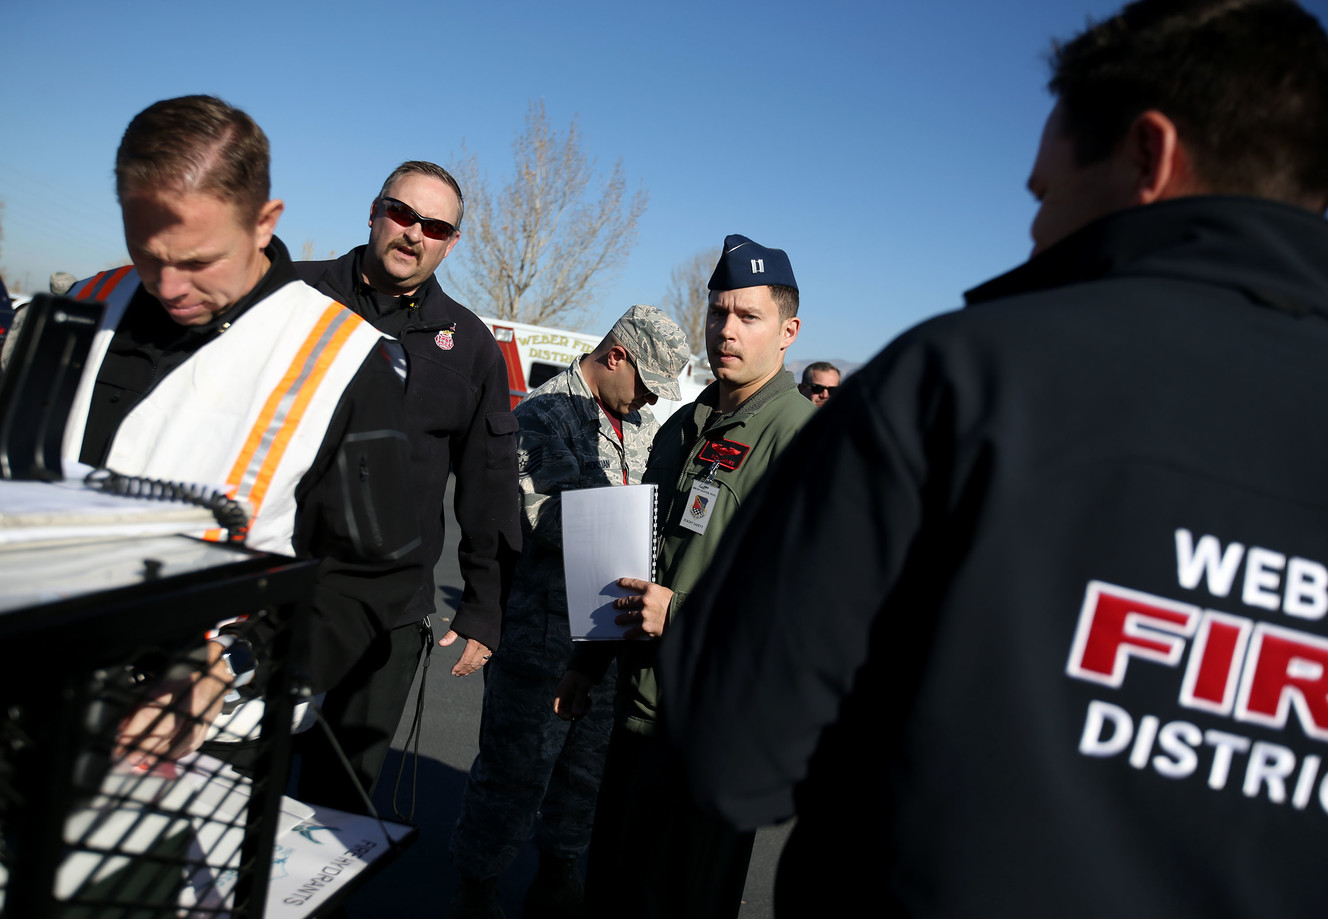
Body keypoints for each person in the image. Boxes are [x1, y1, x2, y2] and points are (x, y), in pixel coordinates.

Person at [658, 2, 1328, 917]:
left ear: (1148, 155)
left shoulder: (959, 382)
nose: (1035, 232)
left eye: (1044, 193)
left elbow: (733, 751)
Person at [60, 95, 421, 764]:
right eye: (146, 253)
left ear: (263, 222)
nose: (168, 286)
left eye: (198, 261)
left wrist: (231, 661)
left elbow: (369, 579)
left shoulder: (342, 361)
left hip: (202, 746)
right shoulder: (79, 310)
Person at [556, 235, 814, 919]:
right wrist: (588, 659)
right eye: (717, 311)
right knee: (611, 891)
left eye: (748, 316)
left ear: (788, 331)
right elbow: (637, 555)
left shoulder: (801, 443)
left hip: (718, 739)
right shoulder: (681, 429)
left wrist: (681, 615)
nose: (726, 329)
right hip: (639, 716)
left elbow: (802, 614)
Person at [447, 305, 690, 919]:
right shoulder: (541, 416)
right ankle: (476, 885)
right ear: (616, 358)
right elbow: (543, 513)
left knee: (586, 775)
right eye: (646, 385)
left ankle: (558, 873)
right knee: (513, 774)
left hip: (609, 634)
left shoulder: (643, 422)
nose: (649, 401)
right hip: (543, 635)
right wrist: (630, 524)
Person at [295, 161, 521, 809]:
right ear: (373, 211)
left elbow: (489, 480)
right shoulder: (292, 296)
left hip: (386, 617)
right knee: (230, 785)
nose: (413, 232)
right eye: (401, 213)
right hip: (272, 584)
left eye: (435, 225)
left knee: (334, 809)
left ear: (452, 241)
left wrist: (484, 603)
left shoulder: (471, 346)